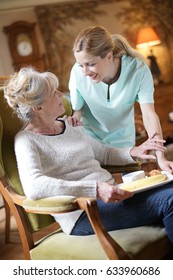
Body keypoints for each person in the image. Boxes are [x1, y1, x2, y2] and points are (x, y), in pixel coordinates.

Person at [3, 67, 173, 244]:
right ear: (38, 107)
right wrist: (95, 189)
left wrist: (134, 151)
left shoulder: (69, 125)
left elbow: (103, 153)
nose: (61, 94)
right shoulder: (26, 140)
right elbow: (35, 186)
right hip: (82, 212)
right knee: (170, 201)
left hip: (112, 196)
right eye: (54, 93)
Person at [68, 26, 173, 173]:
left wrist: (161, 158)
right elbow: (77, 111)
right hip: (93, 147)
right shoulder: (77, 73)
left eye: (91, 64)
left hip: (125, 148)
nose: (85, 72)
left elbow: (149, 115)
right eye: (81, 65)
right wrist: (73, 121)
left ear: (109, 56)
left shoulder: (138, 70)